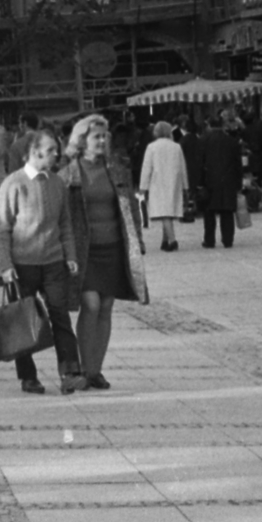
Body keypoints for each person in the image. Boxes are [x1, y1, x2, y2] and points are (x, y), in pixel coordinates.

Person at [60, 115, 147, 391]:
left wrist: (138, 241)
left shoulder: (117, 169)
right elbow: (59, 215)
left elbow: (130, 206)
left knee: (107, 306)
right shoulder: (68, 173)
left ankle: (96, 370)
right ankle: (85, 369)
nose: (102, 141)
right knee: (92, 304)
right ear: (81, 140)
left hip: (113, 247)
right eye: (96, 136)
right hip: (84, 250)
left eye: (104, 136)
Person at [0, 130, 82, 394]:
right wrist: (5, 265)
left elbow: (65, 223)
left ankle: (70, 372)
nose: (58, 154)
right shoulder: (13, 183)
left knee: (60, 315)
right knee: (24, 322)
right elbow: (1, 228)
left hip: (53, 261)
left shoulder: (57, 183)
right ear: (35, 152)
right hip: (22, 265)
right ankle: (28, 377)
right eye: (52, 149)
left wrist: (71, 255)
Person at [138, 120, 188, 252]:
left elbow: (146, 168)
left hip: (158, 182)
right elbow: (183, 167)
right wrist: (185, 185)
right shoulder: (176, 146)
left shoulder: (152, 147)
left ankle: (172, 240)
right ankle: (164, 240)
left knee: (163, 212)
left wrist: (143, 186)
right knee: (168, 212)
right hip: (174, 182)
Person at [194, 114, 242, 249]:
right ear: (222, 125)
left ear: (209, 125)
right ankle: (228, 239)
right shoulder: (232, 141)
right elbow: (237, 164)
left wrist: (199, 182)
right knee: (227, 211)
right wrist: (238, 182)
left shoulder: (203, 140)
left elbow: (199, 163)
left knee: (209, 212)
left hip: (209, 180)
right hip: (228, 180)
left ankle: (209, 240)